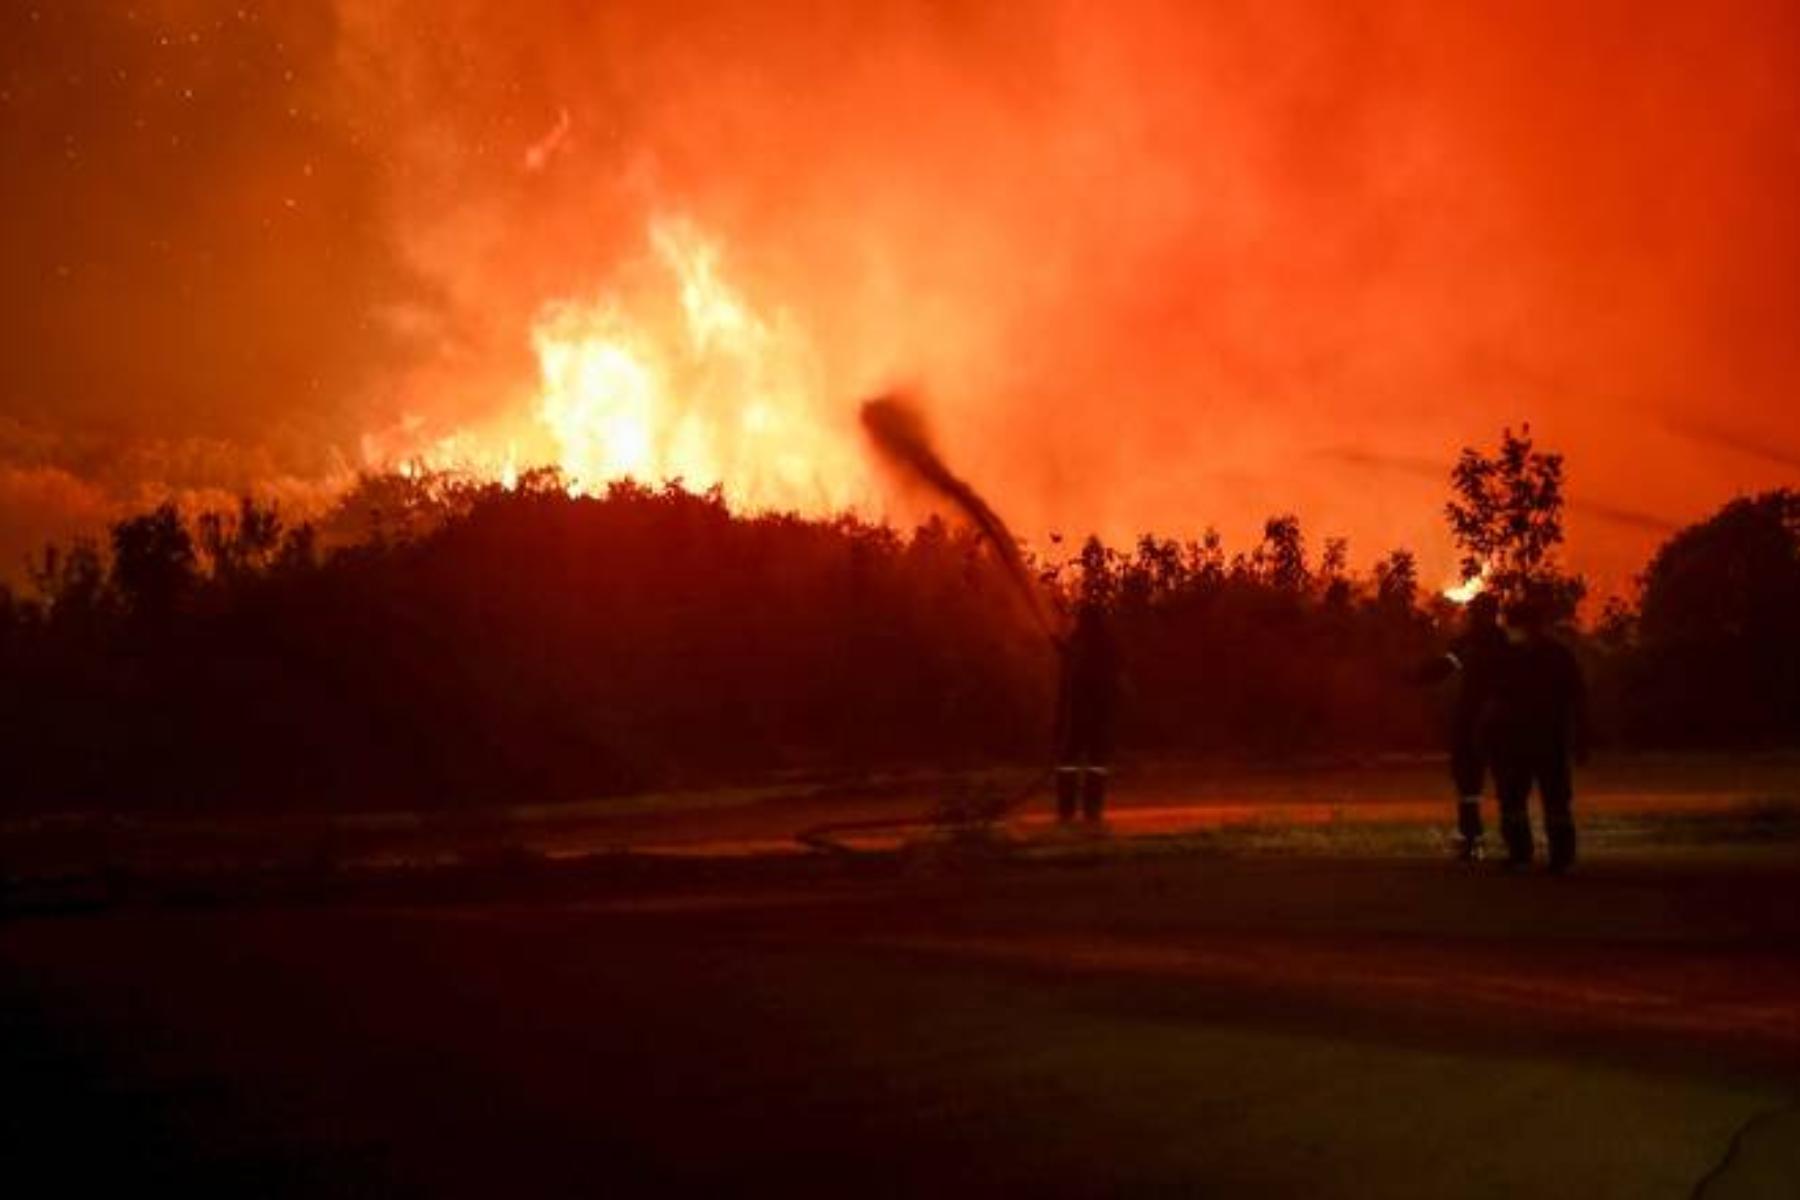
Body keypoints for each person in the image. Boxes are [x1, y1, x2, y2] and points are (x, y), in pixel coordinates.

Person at [1488, 595, 1589, 872]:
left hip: (1541, 738)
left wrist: (1580, 737)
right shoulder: (1548, 655)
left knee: (1549, 800)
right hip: (1529, 739)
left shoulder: (1546, 656)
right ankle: (1530, 854)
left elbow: (1576, 697)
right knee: (1517, 799)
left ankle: (1551, 856)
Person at [1414, 592, 1507, 860]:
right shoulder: (1505, 643)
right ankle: (1511, 842)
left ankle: (1471, 839)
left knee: (1468, 779)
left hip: (1475, 716)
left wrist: (1413, 678)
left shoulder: (1470, 642)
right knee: (1498, 781)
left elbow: (1443, 667)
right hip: (1499, 717)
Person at [1054, 600, 1120, 824]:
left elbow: (1087, 671)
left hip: (1091, 713)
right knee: (1081, 763)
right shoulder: (1092, 641)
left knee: (1085, 764)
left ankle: (1080, 810)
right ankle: (1078, 811)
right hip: (1088, 714)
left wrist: (1067, 654)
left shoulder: (1099, 644)